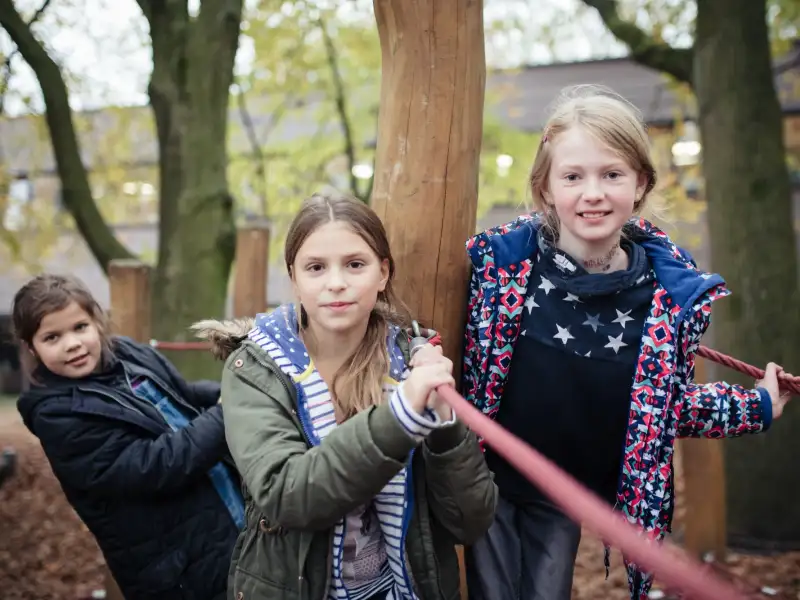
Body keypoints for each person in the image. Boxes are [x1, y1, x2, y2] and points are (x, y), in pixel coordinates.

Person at [460, 85, 793, 600]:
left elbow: (662, 408)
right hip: (485, 477)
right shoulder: (500, 270)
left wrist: (757, 406)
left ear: (640, 183)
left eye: (611, 175)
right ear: (545, 188)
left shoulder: (664, 300)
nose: (592, 193)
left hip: (562, 495)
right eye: (573, 176)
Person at [193, 190, 497, 600]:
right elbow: (288, 496)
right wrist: (400, 417)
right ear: (294, 279)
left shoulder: (411, 362)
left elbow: (470, 522)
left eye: (355, 264)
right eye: (316, 267)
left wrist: (445, 424)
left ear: (383, 273)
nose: (336, 283)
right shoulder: (256, 370)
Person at [13, 274, 241, 600]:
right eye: (52, 337)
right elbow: (156, 465)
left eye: (80, 327)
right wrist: (227, 411)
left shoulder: (129, 355)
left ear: (97, 321)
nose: (72, 343)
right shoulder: (58, 417)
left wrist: (236, 389)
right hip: (184, 569)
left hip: (227, 515)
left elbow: (182, 395)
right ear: (31, 348)